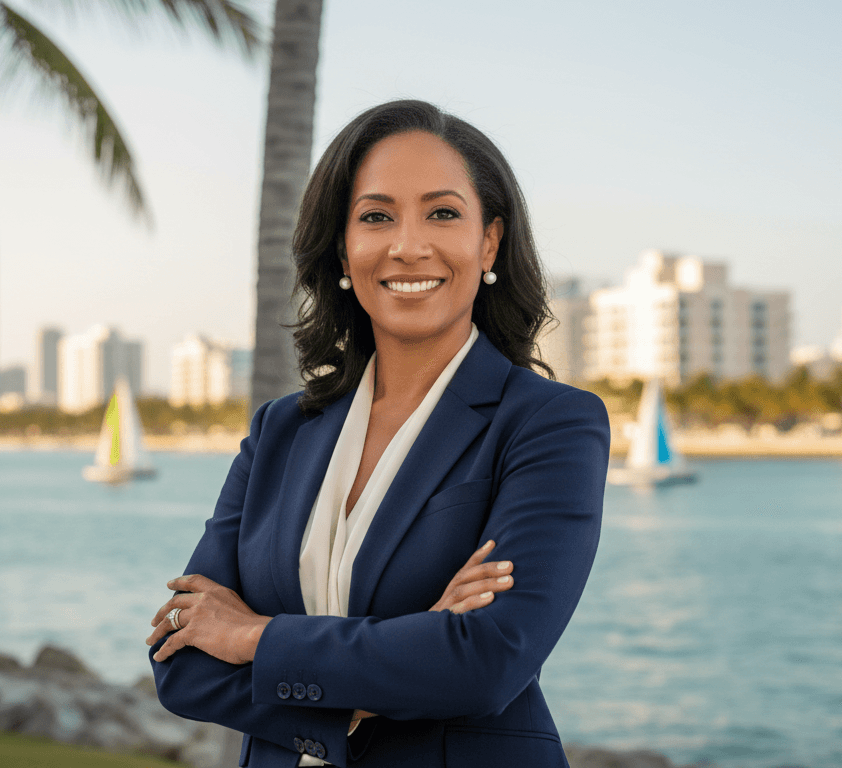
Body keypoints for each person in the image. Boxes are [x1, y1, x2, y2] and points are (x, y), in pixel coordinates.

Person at [146, 99, 610, 767]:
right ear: (342, 247)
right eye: (376, 216)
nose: (408, 245)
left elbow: (483, 664)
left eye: (443, 213)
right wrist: (396, 660)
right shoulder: (280, 430)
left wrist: (254, 638)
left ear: (489, 242)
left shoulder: (549, 424)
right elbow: (181, 663)